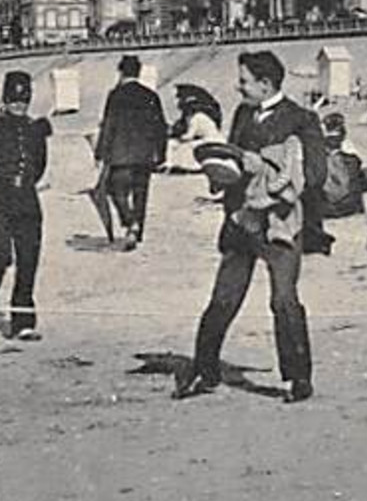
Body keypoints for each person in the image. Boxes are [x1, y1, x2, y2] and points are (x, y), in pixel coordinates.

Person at [176, 51, 314, 404]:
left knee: (284, 300)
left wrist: (264, 169)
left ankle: (298, 379)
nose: (238, 88)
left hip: (281, 226)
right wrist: (221, 173)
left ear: (266, 84)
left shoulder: (302, 119)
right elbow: (233, 158)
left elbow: (314, 175)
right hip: (240, 221)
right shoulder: (242, 114)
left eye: (244, 81)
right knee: (223, 298)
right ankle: (205, 370)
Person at [0, 71, 51, 341]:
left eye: (23, 100)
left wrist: (25, 182)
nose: (19, 105)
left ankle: (22, 321)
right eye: (14, 100)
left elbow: (40, 164)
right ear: (5, 99)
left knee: (28, 260)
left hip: (27, 199)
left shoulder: (34, 128)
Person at [94, 55, 168, 250]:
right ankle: (137, 230)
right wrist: (161, 153)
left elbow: (108, 125)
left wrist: (100, 151)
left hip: (121, 154)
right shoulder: (151, 95)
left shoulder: (115, 95)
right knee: (140, 193)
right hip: (144, 154)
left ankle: (129, 222)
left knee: (114, 189)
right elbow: (161, 126)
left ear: (121, 72)